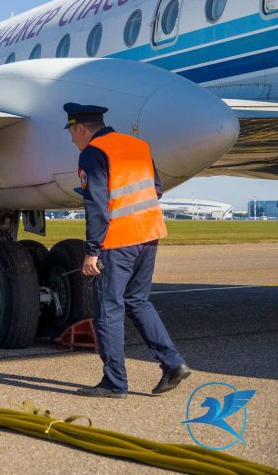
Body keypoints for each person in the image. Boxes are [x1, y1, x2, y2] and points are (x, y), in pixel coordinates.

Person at [64, 103, 190, 398]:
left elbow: (96, 206)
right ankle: (173, 364)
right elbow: (156, 189)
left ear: (81, 128)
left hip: (117, 240)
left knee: (108, 309)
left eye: (71, 132)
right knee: (137, 301)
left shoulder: (93, 153)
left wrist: (92, 250)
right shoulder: (138, 145)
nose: (71, 139)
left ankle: (115, 382)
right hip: (149, 234)